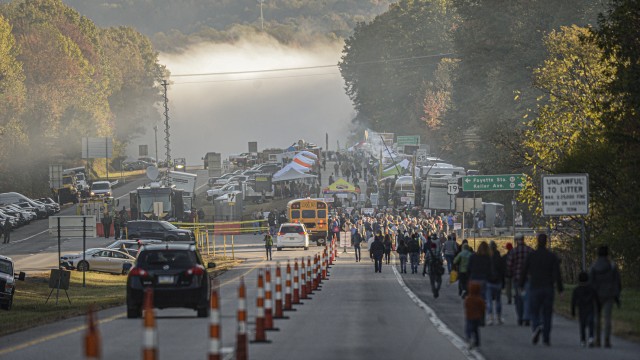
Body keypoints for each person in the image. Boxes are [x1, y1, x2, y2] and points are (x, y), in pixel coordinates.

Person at [520, 233, 563, 346]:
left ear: (537, 241)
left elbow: (524, 271)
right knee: (547, 313)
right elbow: (557, 274)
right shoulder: (551, 256)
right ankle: (546, 337)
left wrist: (521, 285)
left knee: (534, 310)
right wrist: (560, 289)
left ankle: (536, 327)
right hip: (548, 288)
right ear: (546, 242)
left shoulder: (532, 255)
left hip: (535, 286)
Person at [589, 245, 622, 348]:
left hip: (596, 295)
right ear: (607, 253)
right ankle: (607, 340)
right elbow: (617, 282)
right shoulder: (612, 266)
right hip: (609, 294)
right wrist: (617, 294)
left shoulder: (594, 266)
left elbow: (590, 282)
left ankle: (597, 340)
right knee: (607, 318)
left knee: (596, 318)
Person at [507, 233, 533, 326]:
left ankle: (520, 317)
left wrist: (510, 274)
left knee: (518, 299)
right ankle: (527, 317)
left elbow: (509, 265)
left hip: (517, 278)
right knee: (527, 298)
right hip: (528, 278)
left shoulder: (513, 252)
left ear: (516, 241)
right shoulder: (530, 250)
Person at [572, 271, 598, 347]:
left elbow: (573, 301)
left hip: (581, 309)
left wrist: (573, 311)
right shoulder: (592, 289)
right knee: (591, 323)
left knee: (582, 325)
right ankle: (591, 337)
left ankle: (583, 340)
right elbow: (596, 299)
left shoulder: (576, 290)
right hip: (590, 308)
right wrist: (598, 308)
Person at [486, 241, 506, 325]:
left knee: (489, 300)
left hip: (489, 281)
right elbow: (503, 271)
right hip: (498, 281)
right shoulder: (499, 257)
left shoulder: (487, 258)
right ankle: (498, 317)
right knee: (498, 300)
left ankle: (490, 317)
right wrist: (503, 282)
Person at [464, 281, 486, 349]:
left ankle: (469, 339)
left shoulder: (468, 299)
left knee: (468, 329)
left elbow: (466, 306)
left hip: (469, 317)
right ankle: (477, 342)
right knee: (476, 330)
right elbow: (483, 308)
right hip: (477, 317)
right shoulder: (480, 299)